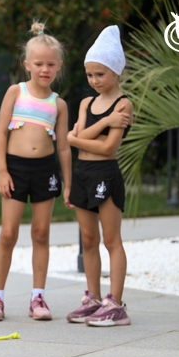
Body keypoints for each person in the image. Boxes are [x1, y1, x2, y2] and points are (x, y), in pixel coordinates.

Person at [0, 21, 72, 322]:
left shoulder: (58, 104)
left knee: (41, 232)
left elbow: (63, 147)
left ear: (58, 66)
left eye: (50, 64)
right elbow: (0, 134)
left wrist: (68, 183)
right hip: (15, 168)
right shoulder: (15, 92)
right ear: (27, 65)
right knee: (8, 233)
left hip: (45, 170)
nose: (44, 69)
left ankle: (38, 297)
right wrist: (2, 171)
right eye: (39, 64)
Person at [66, 25, 134, 327]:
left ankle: (115, 304)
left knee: (111, 240)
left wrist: (75, 139)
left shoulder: (124, 104)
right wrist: (104, 121)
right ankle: (93, 298)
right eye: (90, 74)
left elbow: (107, 148)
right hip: (83, 173)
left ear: (116, 71)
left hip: (105, 173)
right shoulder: (86, 103)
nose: (94, 81)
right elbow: (80, 136)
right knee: (88, 239)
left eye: (100, 74)